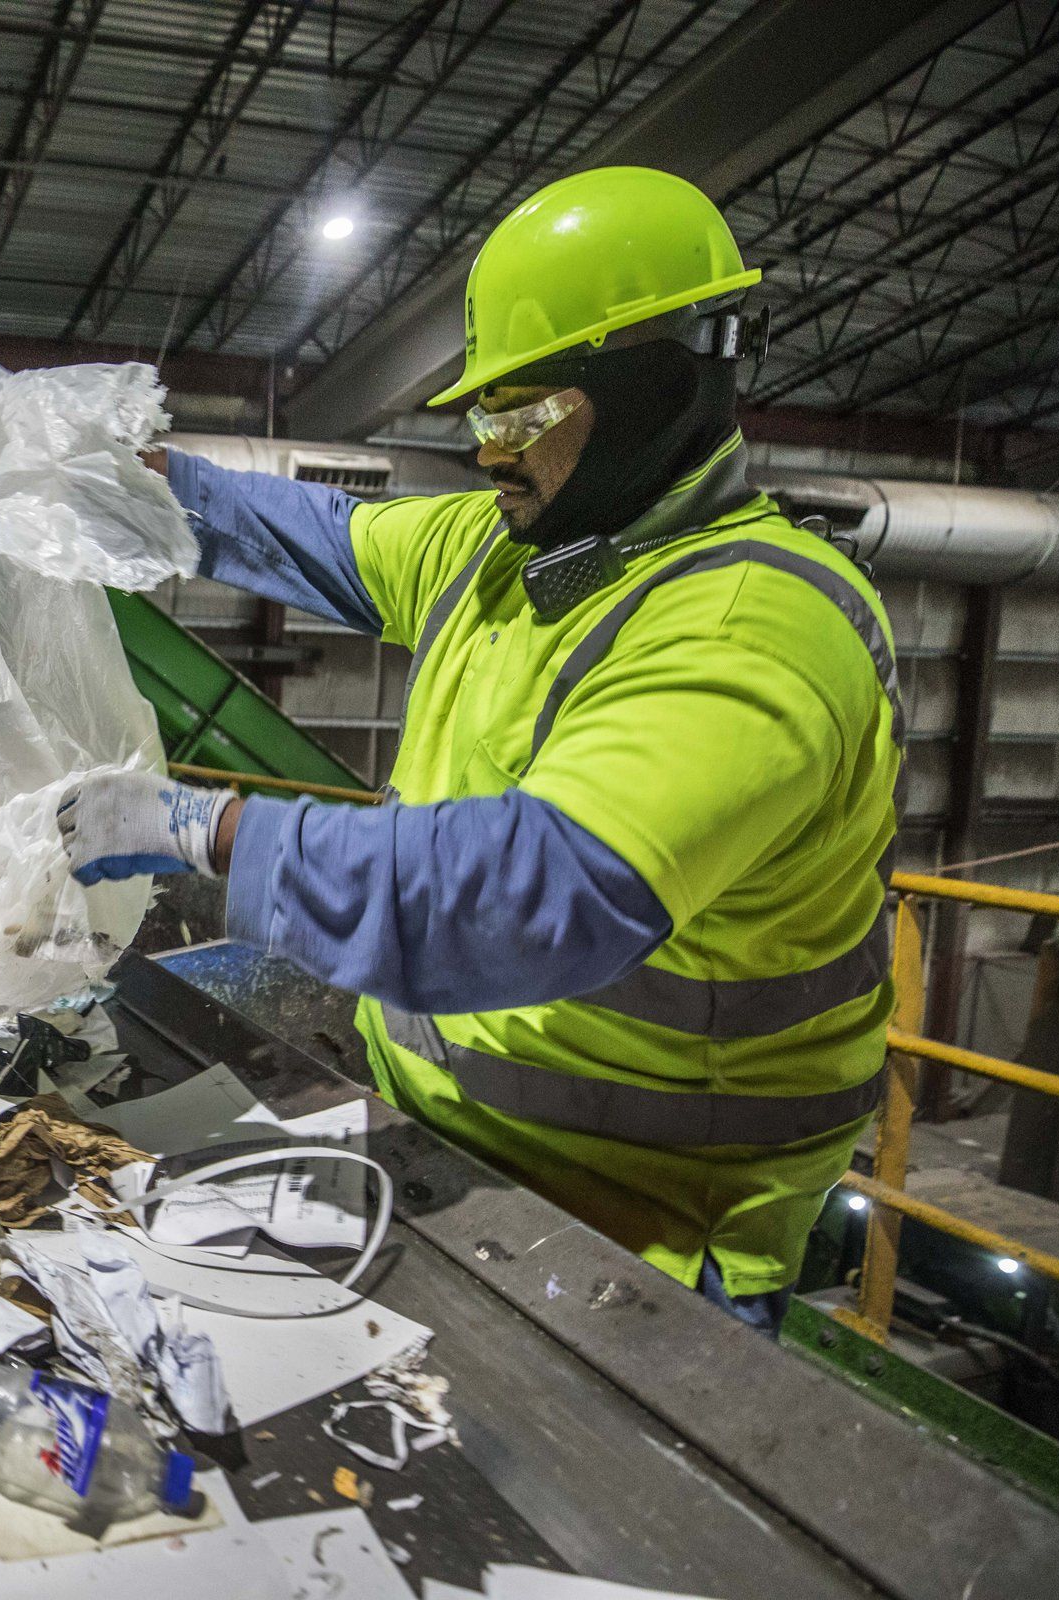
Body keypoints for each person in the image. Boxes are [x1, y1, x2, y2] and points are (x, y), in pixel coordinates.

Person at [57, 166, 901, 1335]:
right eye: (477, 415)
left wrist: (203, 827)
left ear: (657, 378)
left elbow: (530, 896)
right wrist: (106, 476)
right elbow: (300, 531)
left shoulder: (756, 625)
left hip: (644, 1239)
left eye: (523, 411)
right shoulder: (514, 547)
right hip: (448, 1144)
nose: (490, 449)